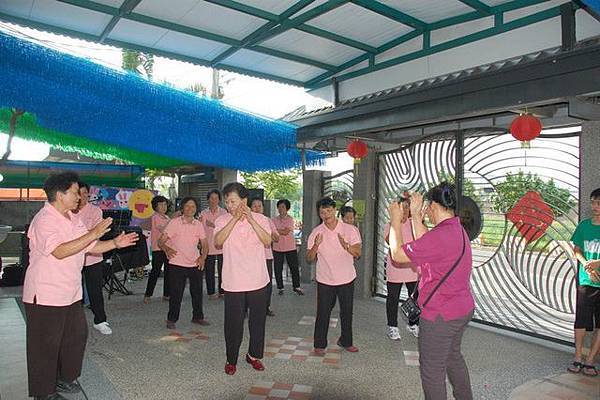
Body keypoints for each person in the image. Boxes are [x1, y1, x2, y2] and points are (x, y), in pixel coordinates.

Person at [24, 172, 138, 400]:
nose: (80, 197)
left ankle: (65, 378)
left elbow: (89, 246)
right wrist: (93, 233)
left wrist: (114, 243)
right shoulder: (44, 220)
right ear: (59, 194)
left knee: (76, 336)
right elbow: (59, 251)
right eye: (75, 192)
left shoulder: (71, 217)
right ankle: (44, 392)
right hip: (46, 293)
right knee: (45, 345)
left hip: (70, 292)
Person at [388, 182, 474, 400]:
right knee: (453, 358)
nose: (426, 210)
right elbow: (426, 241)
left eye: (427, 207)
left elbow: (397, 255)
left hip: (440, 315)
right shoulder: (456, 229)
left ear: (435, 206)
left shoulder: (441, 236)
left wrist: (395, 221)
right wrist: (416, 215)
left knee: (432, 372)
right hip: (460, 309)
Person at [214, 183, 272, 375]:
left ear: (244, 201)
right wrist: (234, 219)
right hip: (233, 281)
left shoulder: (262, 219)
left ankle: (253, 355)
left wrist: (250, 219)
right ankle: (231, 359)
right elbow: (218, 241)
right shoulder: (222, 220)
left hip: (258, 280)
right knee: (233, 323)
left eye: (233, 201)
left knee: (257, 321)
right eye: (227, 202)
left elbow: (267, 241)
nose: (229, 205)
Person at [307, 197, 362, 354]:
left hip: (346, 278)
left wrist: (347, 247)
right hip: (325, 279)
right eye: (322, 212)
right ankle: (319, 344)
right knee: (323, 312)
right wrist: (316, 246)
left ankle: (346, 341)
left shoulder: (350, 230)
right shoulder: (316, 232)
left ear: (335, 210)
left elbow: (358, 253)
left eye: (329, 210)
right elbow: (309, 258)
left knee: (346, 311)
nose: (326, 214)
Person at [160, 197, 209, 330]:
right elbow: (161, 241)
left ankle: (198, 317)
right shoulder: (174, 223)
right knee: (176, 293)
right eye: (187, 206)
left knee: (197, 292)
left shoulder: (198, 224)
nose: (190, 209)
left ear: (196, 209)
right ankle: (171, 319)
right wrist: (166, 248)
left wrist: (203, 258)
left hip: (195, 263)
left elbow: (205, 244)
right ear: (182, 208)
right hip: (177, 263)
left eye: (193, 206)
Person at [568, 188, 600, 377]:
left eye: (599, 203)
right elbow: (577, 249)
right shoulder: (584, 225)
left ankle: (591, 360)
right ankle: (578, 357)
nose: (595, 207)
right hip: (586, 282)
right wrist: (586, 263)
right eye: (593, 203)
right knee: (580, 321)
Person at [75, 182, 111, 335]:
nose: (82, 197)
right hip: (72, 258)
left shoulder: (95, 211)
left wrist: (85, 234)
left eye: (85, 194)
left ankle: (100, 320)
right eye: (79, 193)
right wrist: (89, 233)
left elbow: (98, 232)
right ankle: (73, 322)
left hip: (93, 256)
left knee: (95, 290)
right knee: (72, 291)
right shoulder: (68, 212)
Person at [384, 197, 420, 339]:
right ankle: (392, 327)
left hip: (412, 268)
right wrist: (396, 222)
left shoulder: (414, 223)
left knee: (415, 298)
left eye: (406, 207)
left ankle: (413, 324)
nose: (404, 211)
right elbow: (390, 242)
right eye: (401, 208)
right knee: (393, 297)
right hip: (395, 266)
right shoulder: (390, 225)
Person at [250, 197, 280, 317]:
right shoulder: (246, 220)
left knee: (267, 284)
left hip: (266, 256)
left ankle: (265, 307)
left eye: (259, 206)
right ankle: (247, 308)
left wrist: (272, 234)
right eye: (254, 206)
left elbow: (276, 238)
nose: (257, 208)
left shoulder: (268, 220)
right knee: (250, 283)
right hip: (250, 258)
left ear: (263, 208)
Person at [199, 189, 228, 299]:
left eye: (216, 198)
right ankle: (211, 292)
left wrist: (213, 225)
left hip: (221, 246)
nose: (214, 200)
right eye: (211, 198)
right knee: (209, 271)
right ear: (208, 200)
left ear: (219, 200)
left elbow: (225, 228)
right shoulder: (203, 213)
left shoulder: (224, 213)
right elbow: (200, 229)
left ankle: (222, 291)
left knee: (223, 270)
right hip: (208, 246)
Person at [272, 199, 303, 295]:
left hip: (290, 247)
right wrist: (278, 230)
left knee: (294, 267)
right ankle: (280, 287)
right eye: (279, 207)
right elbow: (272, 232)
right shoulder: (274, 220)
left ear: (287, 208)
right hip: (277, 247)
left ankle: (296, 286)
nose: (281, 209)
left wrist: (277, 230)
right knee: (278, 268)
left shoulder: (290, 219)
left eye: (283, 207)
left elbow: (285, 232)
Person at [143, 195, 171, 304]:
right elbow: (164, 229)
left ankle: (167, 294)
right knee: (155, 271)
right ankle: (148, 294)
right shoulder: (155, 217)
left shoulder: (167, 218)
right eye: (161, 205)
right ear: (155, 206)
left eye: (165, 204)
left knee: (169, 271)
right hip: (158, 249)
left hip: (168, 248)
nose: (164, 207)